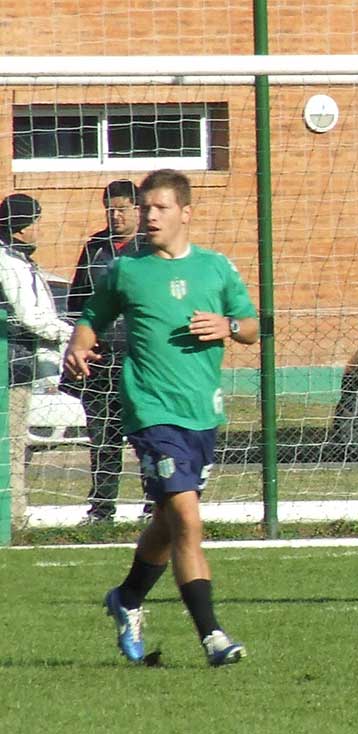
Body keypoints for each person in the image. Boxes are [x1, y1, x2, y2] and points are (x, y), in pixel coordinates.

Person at [64, 169, 259, 666]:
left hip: (201, 413)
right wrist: (78, 346)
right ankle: (212, 636)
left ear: (185, 213)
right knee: (188, 520)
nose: (148, 215)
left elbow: (253, 326)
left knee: (169, 523)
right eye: (145, 207)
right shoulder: (127, 270)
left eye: (160, 208)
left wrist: (228, 326)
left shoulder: (215, 269)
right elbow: (91, 316)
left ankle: (127, 598)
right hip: (150, 410)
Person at [67, 179, 144, 524]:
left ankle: (155, 508)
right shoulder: (95, 247)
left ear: (138, 210)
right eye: (110, 209)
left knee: (146, 435)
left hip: (140, 361)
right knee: (102, 439)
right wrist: (83, 340)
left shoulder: (151, 248)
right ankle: (101, 511)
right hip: (101, 362)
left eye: (123, 209)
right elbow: (77, 302)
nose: (116, 216)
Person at [0, 193, 74, 528]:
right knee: (13, 446)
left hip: (16, 365)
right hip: (12, 367)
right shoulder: (9, 262)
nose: (37, 229)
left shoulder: (17, 258)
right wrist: (68, 334)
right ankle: (14, 519)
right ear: (19, 228)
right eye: (34, 222)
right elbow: (31, 317)